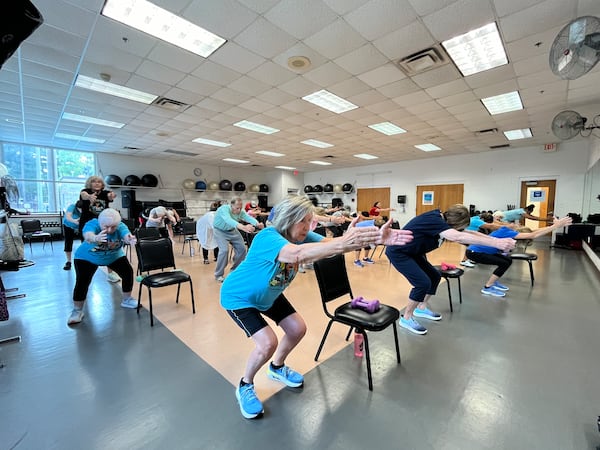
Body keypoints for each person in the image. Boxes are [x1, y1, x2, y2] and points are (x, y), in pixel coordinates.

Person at [220, 195, 413, 419]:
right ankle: (245, 384)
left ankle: (277, 367)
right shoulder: (267, 237)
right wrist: (343, 242)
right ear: (287, 219)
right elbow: (297, 254)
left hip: (268, 295)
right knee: (267, 343)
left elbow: (329, 247)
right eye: (303, 221)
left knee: (297, 329)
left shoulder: (301, 236)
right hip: (240, 297)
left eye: (310, 220)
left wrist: (376, 238)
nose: (308, 226)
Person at [386, 205, 516, 336]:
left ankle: (421, 308)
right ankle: (406, 318)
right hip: (399, 253)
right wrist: (497, 244)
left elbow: (467, 233)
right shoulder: (434, 220)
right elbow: (457, 237)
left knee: (435, 276)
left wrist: (496, 240)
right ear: (457, 222)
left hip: (414, 252)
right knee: (422, 283)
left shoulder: (442, 221)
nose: (461, 229)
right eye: (461, 226)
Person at [466, 215, 572, 297]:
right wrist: (555, 226)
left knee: (507, 260)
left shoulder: (509, 231)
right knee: (503, 263)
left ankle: (493, 282)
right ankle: (487, 287)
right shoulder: (507, 231)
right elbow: (533, 235)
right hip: (474, 252)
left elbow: (534, 232)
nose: (517, 224)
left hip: (479, 251)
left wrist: (552, 226)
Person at [67, 208, 138, 325]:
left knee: (127, 272)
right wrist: (95, 238)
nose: (110, 230)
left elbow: (126, 235)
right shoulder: (92, 224)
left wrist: (129, 239)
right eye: (106, 227)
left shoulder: (120, 226)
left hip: (113, 256)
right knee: (82, 282)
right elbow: (88, 234)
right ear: (100, 223)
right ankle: (77, 311)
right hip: (86, 257)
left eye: (113, 227)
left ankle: (127, 299)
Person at [213, 197, 264, 282]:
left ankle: (234, 270)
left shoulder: (241, 211)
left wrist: (257, 224)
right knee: (224, 250)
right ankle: (218, 275)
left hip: (232, 230)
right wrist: (243, 227)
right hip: (220, 231)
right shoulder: (224, 209)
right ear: (231, 205)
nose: (239, 210)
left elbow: (248, 217)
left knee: (242, 249)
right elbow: (228, 220)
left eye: (240, 207)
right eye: (237, 208)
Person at [78, 176, 119, 282]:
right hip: (88, 224)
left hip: (103, 224)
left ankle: (111, 273)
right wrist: (89, 197)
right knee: (87, 246)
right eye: (94, 182)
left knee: (108, 246)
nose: (96, 184)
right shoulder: (85, 191)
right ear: (90, 184)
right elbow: (84, 195)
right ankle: (85, 272)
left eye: (99, 182)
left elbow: (110, 196)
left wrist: (112, 195)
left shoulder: (105, 193)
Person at [62, 200, 82, 270]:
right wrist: (75, 221)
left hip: (80, 226)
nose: (81, 211)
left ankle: (85, 259)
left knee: (85, 241)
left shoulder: (88, 208)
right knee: (68, 242)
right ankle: (68, 262)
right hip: (68, 225)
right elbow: (68, 217)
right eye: (80, 209)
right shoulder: (72, 207)